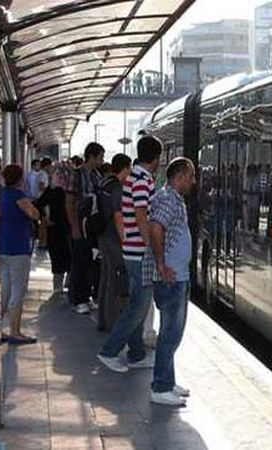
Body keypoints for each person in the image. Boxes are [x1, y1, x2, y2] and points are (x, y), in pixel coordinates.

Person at [97, 136, 161, 373]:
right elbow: (141, 213)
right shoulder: (143, 180)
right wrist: (151, 245)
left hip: (131, 250)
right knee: (138, 307)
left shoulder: (133, 177)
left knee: (137, 304)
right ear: (156, 158)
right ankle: (109, 351)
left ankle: (136, 354)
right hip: (140, 251)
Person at [147, 157, 196, 406]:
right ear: (180, 176)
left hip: (177, 275)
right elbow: (156, 227)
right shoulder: (168, 199)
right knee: (170, 333)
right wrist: (161, 265)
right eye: (191, 176)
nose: (193, 181)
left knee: (173, 332)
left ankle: (168, 380)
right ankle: (161, 386)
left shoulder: (173, 198)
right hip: (171, 277)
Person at [0, 164, 41, 345]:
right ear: (20, 179)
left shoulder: (2, 195)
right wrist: (35, 210)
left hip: (4, 247)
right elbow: (34, 214)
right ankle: (15, 331)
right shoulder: (18, 196)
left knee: (5, 290)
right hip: (18, 248)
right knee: (18, 290)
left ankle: (4, 329)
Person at [66, 143, 105, 314]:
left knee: (91, 262)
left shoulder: (97, 176)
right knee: (79, 261)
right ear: (92, 157)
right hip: (80, 224)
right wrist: (74, 226)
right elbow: (69, 202)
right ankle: (79, 299)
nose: (102, 161)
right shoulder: (76, 174)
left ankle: (88, 295)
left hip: (92, 226)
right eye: (100, 157)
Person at [97, 154, 131, 331]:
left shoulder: (104, 183)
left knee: (105, 278)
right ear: (125, 168)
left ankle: (102, 318)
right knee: (115, 279)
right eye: (129, 169)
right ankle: (112, 322)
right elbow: (118, 216)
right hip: (113, 238)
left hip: (102, 235)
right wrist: (124, 239)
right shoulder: (117, 189)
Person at [34, 164, 72, 298]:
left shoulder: (59, 191)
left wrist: (44, 218)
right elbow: (39, 204)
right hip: (61, 229)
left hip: (61, 229)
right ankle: (61, 287)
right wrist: (44, 218)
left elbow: (39, 204)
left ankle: (62, 287)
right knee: (62, 259)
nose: (60, 178)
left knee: (63, 259)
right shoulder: (60, 191)